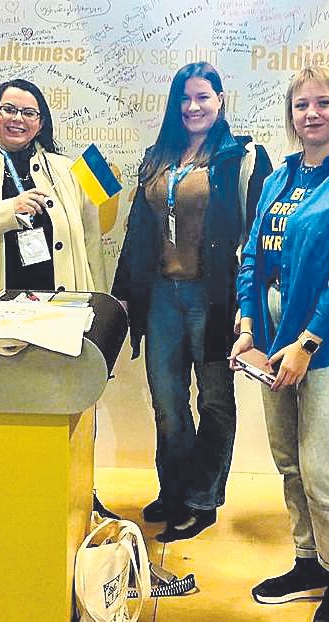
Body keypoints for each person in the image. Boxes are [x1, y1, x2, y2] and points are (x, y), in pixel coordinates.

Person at [231, 66, 329, 622]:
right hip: (271, 338)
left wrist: (308, 343)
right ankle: (308, 561)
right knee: (288, 463)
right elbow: (253, 256)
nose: (312, 114)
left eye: (323, 103)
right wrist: (248, 324)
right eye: (302, 105)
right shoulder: (279, 179)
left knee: (321, 467)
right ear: (291, 115)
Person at [111, 62, 272, 542]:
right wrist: (123, 297)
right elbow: (138, 232)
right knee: (167, 402)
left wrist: (252, 305)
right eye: (184, 98)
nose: (192, 106)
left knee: (216, 400)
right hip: (161, 296)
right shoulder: (157, 156)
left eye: (203, 96)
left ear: (221, 100)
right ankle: (174, 488)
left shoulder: (241, 156)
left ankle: (202, 498)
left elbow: (260, 235)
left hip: (214, 297)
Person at [0, 79, 105, 292]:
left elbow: (93, 247)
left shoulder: (71, 172)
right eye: (8, 109)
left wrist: (99, 306)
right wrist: (9, 211)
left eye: (29, 113)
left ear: (40, 123)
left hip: (58, 312)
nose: (17, 118)